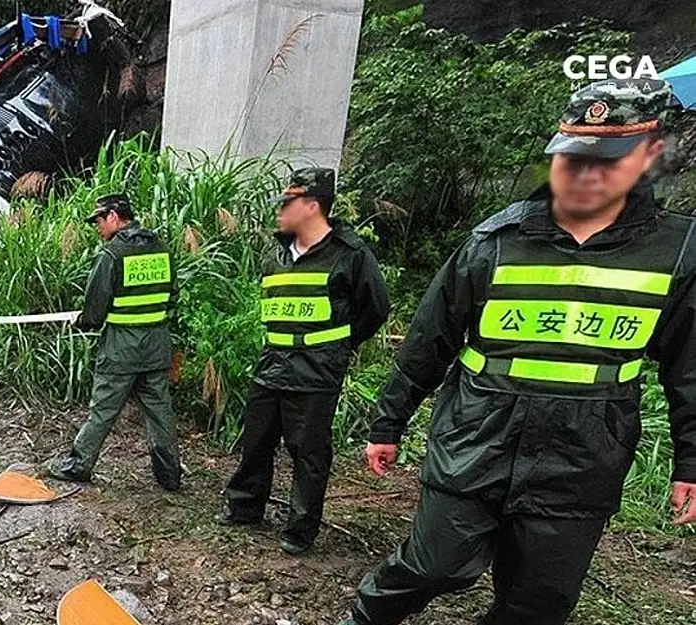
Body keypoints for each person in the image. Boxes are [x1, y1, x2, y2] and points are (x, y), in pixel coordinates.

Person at [339, 79, 696, 625]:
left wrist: (690, 462)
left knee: (539, 601)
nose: (583, 174)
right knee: (435, 565)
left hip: (582, 455)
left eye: (607, 159)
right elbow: (431, 337)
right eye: (572, 157)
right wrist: (387, 423)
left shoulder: (677, 253)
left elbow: (689, 368)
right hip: (476, 436)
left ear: (649, 157)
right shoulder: (497, 239)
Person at [216, 167, 391, 555]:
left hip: (316, 371)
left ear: (312, 207)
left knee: (308, 452)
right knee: (257, 442)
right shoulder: (276, 255)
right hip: (273, 364)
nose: (279, 211)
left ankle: (300, 529)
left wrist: (339, 345)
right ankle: (245, 507)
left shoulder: (350, 255)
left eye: (288, 203)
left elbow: (376, 308)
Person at [46, 194, 181, 491]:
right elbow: (173, 296)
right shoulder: (161, 249)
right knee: (160, 413)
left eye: (98, 220)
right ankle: (170, 475)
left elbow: (95, 311)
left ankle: (79, 465)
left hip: (121, 350)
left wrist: (81, 321)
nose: (97, 227)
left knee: (103, 410)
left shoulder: (112, 254)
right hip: (157, 347)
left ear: (113, 217)